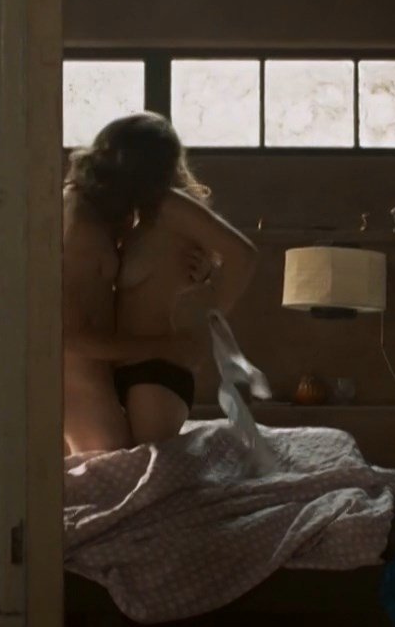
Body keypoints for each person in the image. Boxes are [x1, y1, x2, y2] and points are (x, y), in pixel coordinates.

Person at [62, 112, 256, 453]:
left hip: (151, 368)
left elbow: (241, 255)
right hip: (108, 364)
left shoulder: (162, 207)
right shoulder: (103, 216)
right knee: (121, 464)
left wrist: (208, 319)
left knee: (138, 465)